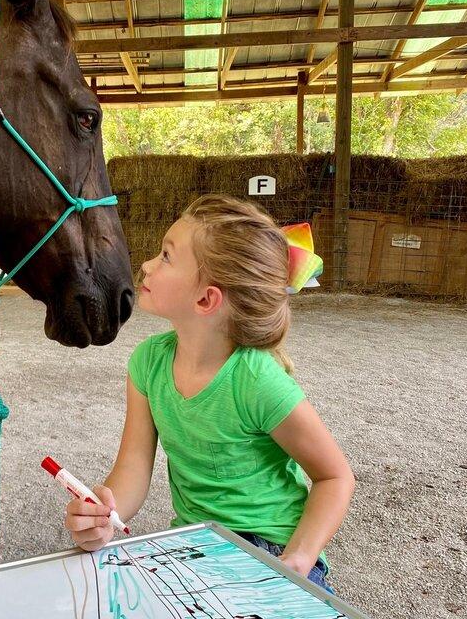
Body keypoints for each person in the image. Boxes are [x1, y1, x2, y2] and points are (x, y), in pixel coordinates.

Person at [64, 194, 355, 593]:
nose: (147, 264)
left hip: (272, 551)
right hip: (193, 546)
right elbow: (132, 467)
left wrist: (299, 557)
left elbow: (336, 477)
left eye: (166, 256)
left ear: (206, 299)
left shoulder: (257, 380)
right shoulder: (147, 363)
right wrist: (103, 514)